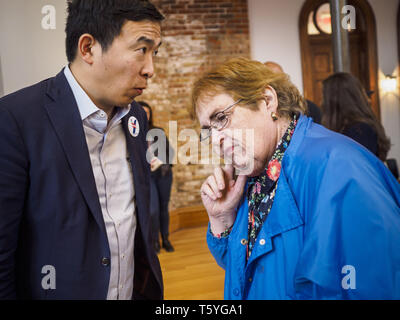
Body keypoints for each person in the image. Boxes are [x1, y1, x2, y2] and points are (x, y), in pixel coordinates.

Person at [192, 57, 400, 300]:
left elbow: (375, 286)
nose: (215, 140)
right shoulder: (254, 175)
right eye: (208, 131)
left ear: (267, 101)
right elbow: (243, 272)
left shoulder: (339, 167)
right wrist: (221, 220)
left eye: (221, 118)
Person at [0, 0, 164, 300]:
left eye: (155, 52)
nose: (150, 69)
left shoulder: (136, 117)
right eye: (141, 49)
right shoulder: (16, 119)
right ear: (88, 48)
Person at [321, 72, 391, 162]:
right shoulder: (356, 128)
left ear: (334, 101)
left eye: (324, 97)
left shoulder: (359, 131)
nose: (321, 102)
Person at [138, 101, 174, 253]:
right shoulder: (134, 134)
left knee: (163, 208)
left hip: (163, 174)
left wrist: (164, 164)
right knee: (152, 210)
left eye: (148, 112)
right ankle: (154, 241)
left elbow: (169, 153)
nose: (146, 115)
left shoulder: (158, 131)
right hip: (148, 177)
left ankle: (165, 238)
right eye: (142, 112)